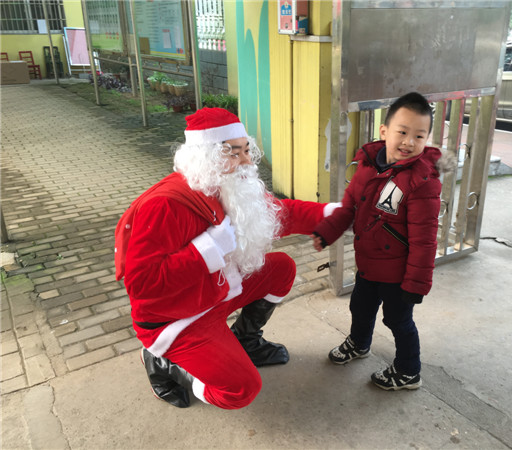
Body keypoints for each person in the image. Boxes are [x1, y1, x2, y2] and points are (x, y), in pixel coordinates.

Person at [114, 107, 339, 409]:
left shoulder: (227, 187)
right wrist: (207, 250)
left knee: (281, 268)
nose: (247, 161)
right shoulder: (164, 205)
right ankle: (164, 364)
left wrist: (333, 215)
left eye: (246, 150)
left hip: (214, 291)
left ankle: (247, 341)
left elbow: (280, 213)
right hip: (177, 318)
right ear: (207, 158)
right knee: (241, 390)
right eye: (234, 153)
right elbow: (143, 285)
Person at [312, 92, 443, 391]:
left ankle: (408, 371)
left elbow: (425, 241)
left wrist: (416, 284)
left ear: (427, 139)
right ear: (384, 131)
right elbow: (348, 207)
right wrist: (326, 232)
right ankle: (359, 343)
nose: (409, 142)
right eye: (402, 132)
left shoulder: (423, 181)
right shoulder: (368, 166)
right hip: (369, 265)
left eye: (419, 136)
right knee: (360, 307)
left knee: (398, 321)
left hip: (399, 275)